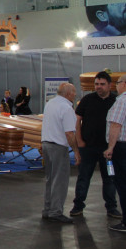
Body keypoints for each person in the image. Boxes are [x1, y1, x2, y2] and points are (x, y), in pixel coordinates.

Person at [71, 71, 120, 219]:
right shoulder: (87, 100)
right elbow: (77, 121)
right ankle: (78, 205)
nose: (98, 87)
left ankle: (111, 208)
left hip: (108, 149)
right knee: (84, 177)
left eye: (102, 84)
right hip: (88, 147)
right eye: (96, 84)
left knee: (110, 178)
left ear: (109, 85)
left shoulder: (116, 101)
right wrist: (79, 141)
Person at [41, 83, 80, 223]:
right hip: (58, 147)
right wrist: (76, 151)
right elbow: (69, 133)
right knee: (60, 180)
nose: (75, 94)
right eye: (74, 92)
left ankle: (47, 208)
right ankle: (56, 211)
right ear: (68, 93)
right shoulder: (66, 108)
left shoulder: (50, 103)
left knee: (50, 178)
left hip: (46, 144)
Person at [104, 74, 126, 232]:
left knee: (123, 185)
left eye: (117, 83)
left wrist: (110, 147)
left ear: (124, 84)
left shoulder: (122, 101)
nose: (116, 86)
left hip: (122, 148)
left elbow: (116, 125)